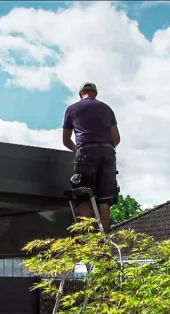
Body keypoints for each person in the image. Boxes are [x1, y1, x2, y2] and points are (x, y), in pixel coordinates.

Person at [61, 81, 120, 231]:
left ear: (81, 94)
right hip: (108, 152)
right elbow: (116, 139)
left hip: (86, 151)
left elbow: (66, 140)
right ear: (95, 93)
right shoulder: (107, 109)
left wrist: (77, 150)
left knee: (84, 196)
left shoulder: (72, 109)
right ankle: (104, 239)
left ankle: (85, 241)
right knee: (105, 199)